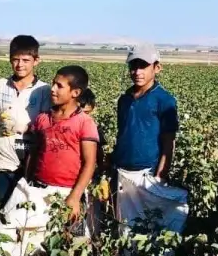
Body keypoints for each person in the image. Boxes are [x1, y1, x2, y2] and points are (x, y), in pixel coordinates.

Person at [26, 66, 99, 224]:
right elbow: (34, 153)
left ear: (75, 93)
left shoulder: (84, 122)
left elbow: (90, 163)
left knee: (67, 242)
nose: (52, 89)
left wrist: (75, 196)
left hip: (67, 191)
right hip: (38, 188)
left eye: (59, 86)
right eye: (53, 84)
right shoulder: (42, 119)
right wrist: (27, 181)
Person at [0, 35, 50, 206]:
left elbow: (45, 129)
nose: (20, 64)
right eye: (15, 59)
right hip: (1, 160)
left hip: (29, 161)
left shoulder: (43, 90)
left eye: (25, 60)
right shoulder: (1, 85)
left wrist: (25, 128)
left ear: (36, 61)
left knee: (26, 211)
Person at [114, 43, 179, 180]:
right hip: (121, 170)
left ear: (157, 68)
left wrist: (160, 177)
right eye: (133, 66)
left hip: (147, 173)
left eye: (143, 66)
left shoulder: (164, 100)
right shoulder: (124, 99)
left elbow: (169, 143)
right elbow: (122, 135)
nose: (137, 72)